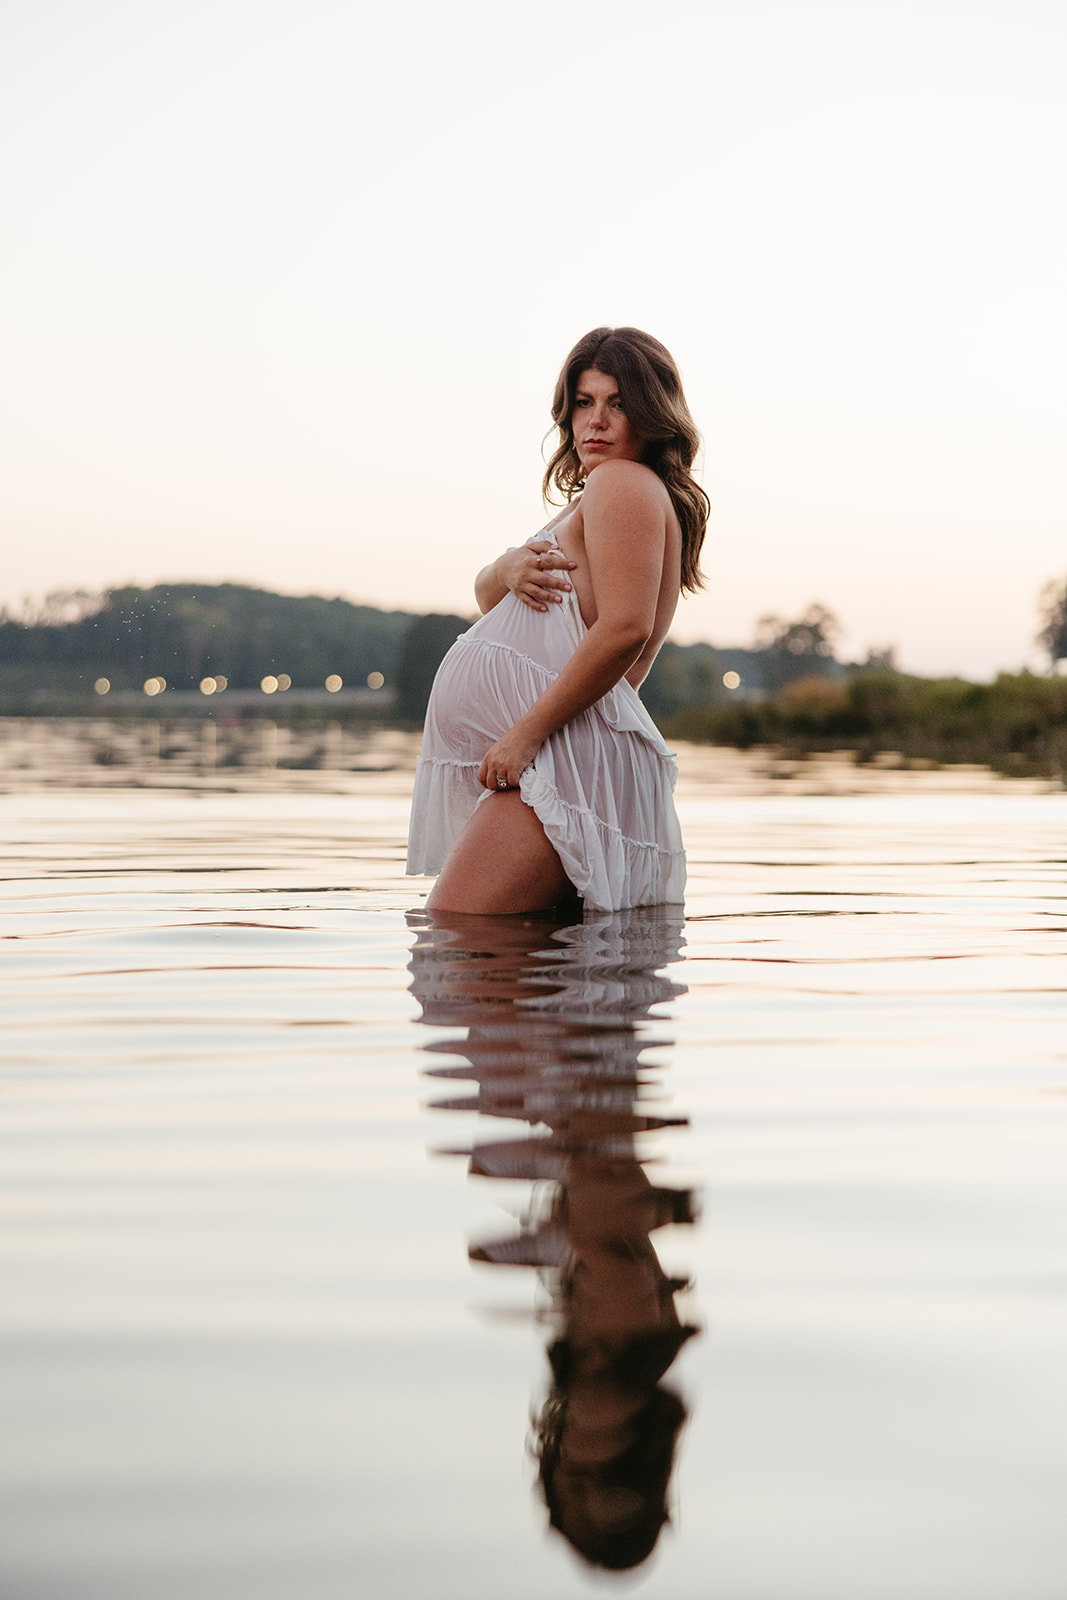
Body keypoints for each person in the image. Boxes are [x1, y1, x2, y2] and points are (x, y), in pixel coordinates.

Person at [406, 326, 708, 914]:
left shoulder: (620, 483)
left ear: (653, 415)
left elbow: (626, 629)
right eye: (584, 403)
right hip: (561, 760)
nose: (596, 421)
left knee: (457, 941)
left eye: (618, 404)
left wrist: (525, 735)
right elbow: (490, 599)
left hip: (561, 760)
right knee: (519, 978)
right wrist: (506, 566)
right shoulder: (610, 494)